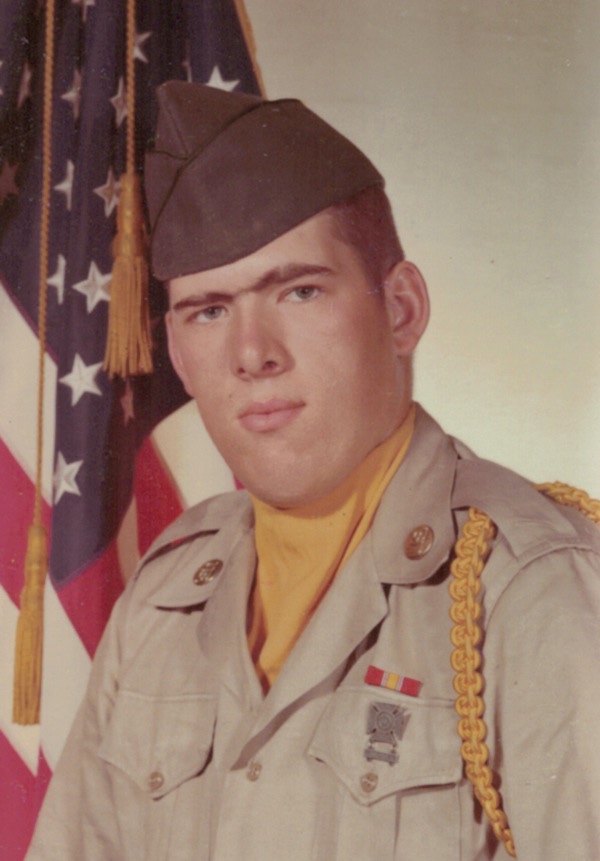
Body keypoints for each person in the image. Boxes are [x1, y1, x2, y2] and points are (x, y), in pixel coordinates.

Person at [26, 81, 600, 861]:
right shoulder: (162, 598)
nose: (252, 353)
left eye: (298, 291)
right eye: (209, 310)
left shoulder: (531, 591)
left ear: (401, 309)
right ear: (178, 354)